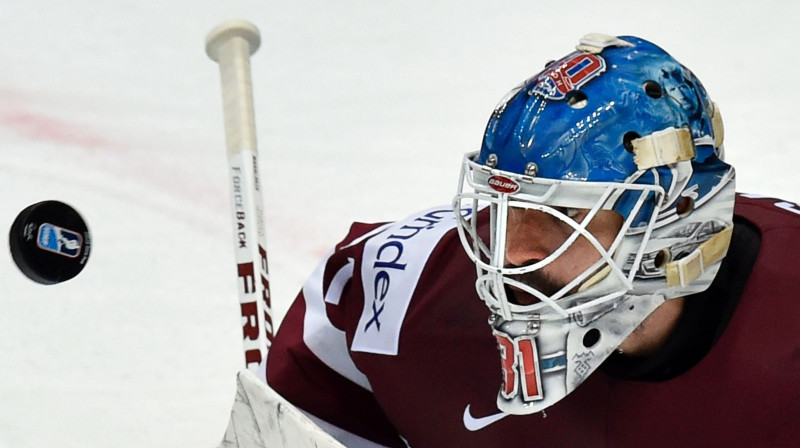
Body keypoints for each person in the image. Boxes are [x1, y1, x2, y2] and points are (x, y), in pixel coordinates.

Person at [262, 34, 800, 447]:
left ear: (673, 219)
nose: (513, 251)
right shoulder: (400, 291)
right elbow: (300, 411)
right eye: (507, 206)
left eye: (564, 213)